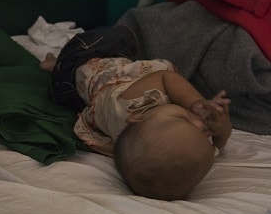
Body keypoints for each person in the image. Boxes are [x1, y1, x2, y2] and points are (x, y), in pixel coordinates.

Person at [41, 25, 232, 200]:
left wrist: (195, 102)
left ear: (137, 117)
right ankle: (55, 66)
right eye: (204, 133)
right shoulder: (188, 150)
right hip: (82, 94)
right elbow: (219, 145)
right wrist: (221, 131)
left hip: (85, 62)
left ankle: (55, 64)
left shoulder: (130, 104)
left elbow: (166, 77)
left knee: (122, 35)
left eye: (183, 118)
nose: (200, 122)